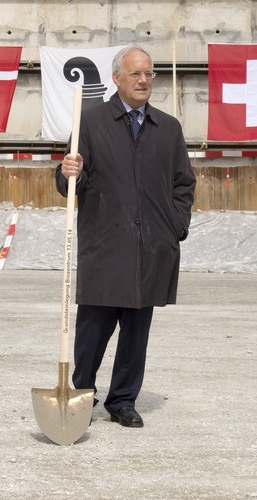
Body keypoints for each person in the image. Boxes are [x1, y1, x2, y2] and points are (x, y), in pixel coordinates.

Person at [55, 45, 196, 428]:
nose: (144, 80)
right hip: (106, 244)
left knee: (136, 334)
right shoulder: (91, 122)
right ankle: (82, 393)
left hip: (151, 247)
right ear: (117, 78)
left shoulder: (168, 128)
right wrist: (69, 170)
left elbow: (183, 184)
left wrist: (175, 225)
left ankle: (123, 401)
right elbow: (70, 180)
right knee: (92, 330)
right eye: (136, 74)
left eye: (149, 74)